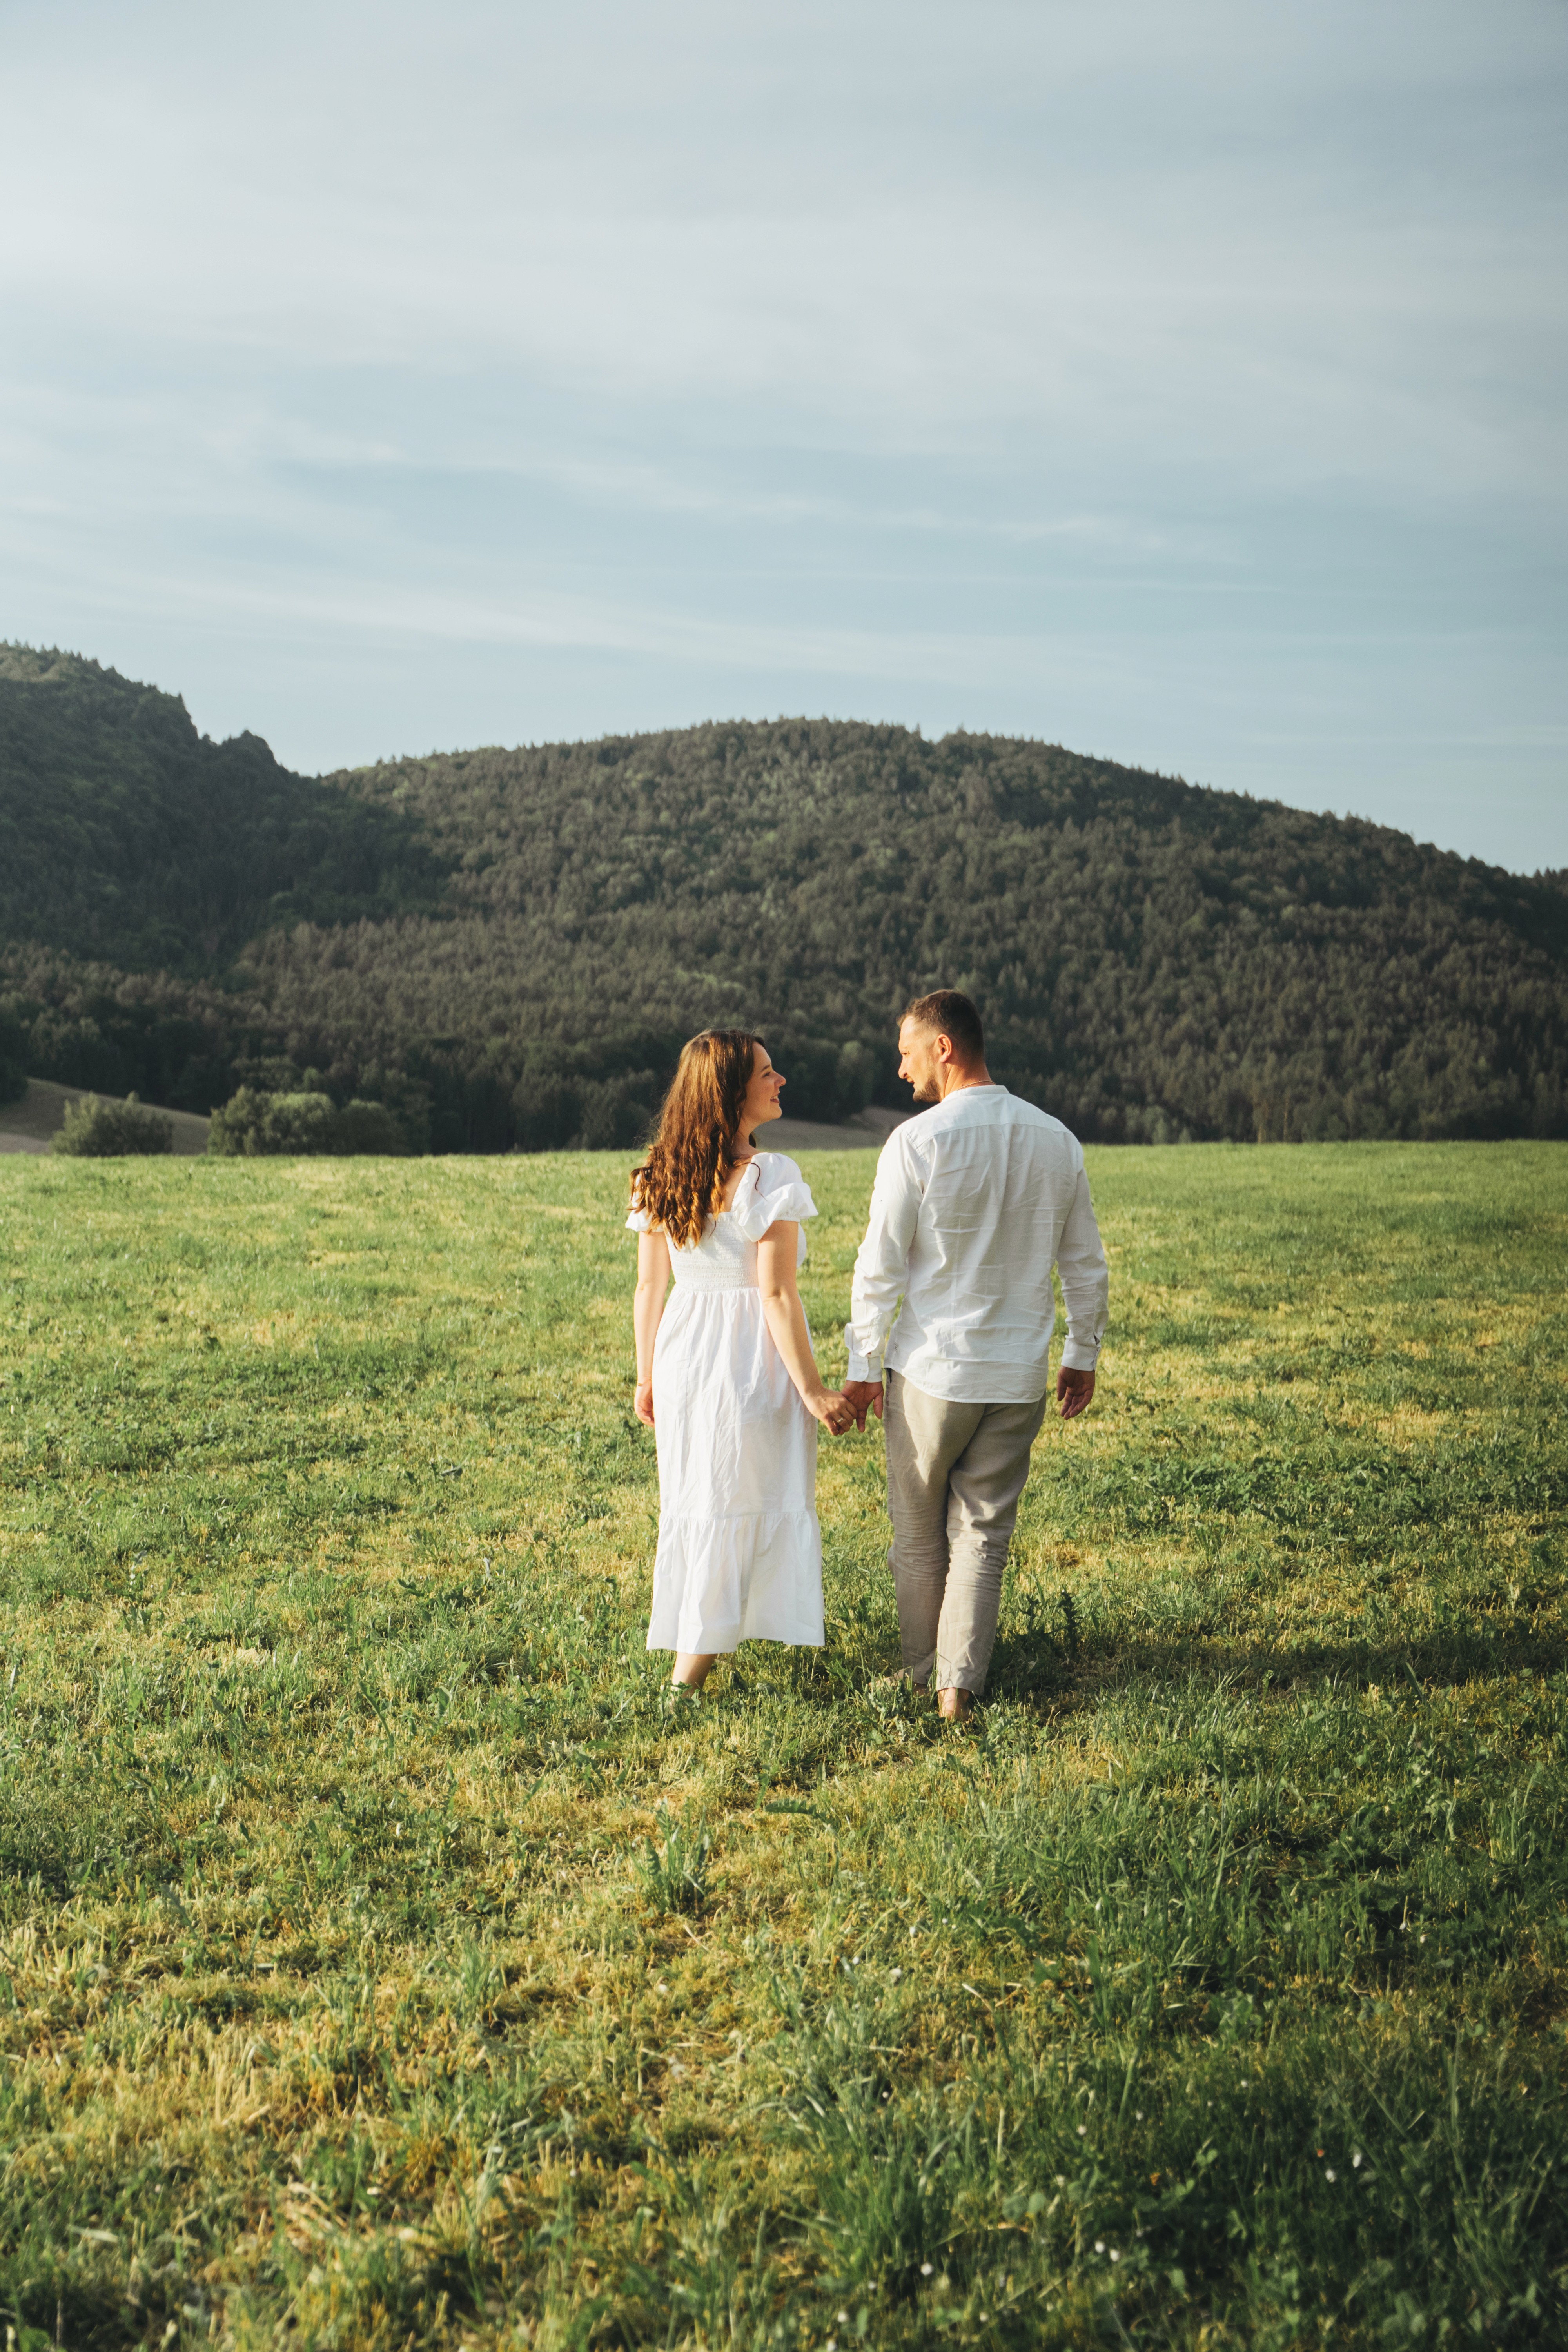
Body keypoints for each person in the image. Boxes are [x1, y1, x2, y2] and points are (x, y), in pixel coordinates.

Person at [843, 990, 1109, 1721]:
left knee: (918, 1530)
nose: (901, 1071)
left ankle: (918, 1667)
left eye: (907, 1052)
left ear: (945, 1048)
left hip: (931, 1372)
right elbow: (1086, 1263)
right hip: (1018, 1375)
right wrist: (1081, 1351)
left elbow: (880, 1267)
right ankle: (957, 1690)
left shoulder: (917, 1142)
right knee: (984, 1534)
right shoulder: (1057, 1139)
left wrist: (864, 1367)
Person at [628, 1028, 855, 1693]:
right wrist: (812, 1389)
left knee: (705, 1499)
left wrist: (646, 1376)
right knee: (737, 1498)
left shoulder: (657, 1175)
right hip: (749, 1355)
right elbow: (776, 1291)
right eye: (766, 1073)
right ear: (731, 1093)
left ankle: (697, 1653)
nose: (780, 1079)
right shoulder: (770, 1174)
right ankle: (687, 1675)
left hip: (683, 1355)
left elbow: (650, 1288)